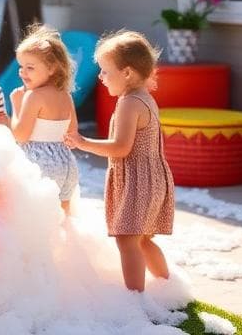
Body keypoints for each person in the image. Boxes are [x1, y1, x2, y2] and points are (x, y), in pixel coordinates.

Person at [65, 30, 174, 292]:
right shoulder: (142, 98)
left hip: (139, 181)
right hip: (149, 177)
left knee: (127, 241)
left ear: (127, 73)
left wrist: (83, 142)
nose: (100, 78)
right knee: (143, 239)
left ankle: (135, 299)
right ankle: (168, 287)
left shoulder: (130, 103)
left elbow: (121, 148)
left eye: (105, 71)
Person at [9, 24, 79, 213]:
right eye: (21, 67)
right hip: (66, 163)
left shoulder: (33, 97)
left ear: (52, 68)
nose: (23, 72)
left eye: (30, 67)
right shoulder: (65, 95)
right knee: (62, 218)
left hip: (40, 164)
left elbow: (21, 136)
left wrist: (16, 106)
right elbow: (73, 133)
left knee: (33, 217)